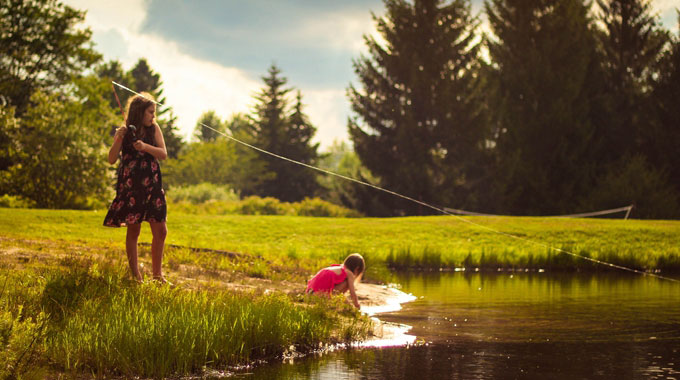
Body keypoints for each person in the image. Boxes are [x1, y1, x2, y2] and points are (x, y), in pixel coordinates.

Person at [103, 93, 168, 283]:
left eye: (154, 112)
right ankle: (136, 276)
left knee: (161, 230)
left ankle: (158, 276)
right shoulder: (125, 132)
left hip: (152, 186)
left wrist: (145, 147)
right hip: (131, 188)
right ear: (139, 112)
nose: (153, 116)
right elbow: (111, 159)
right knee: (134, 231)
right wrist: (118, 139)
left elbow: (163, 154)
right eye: (150, 112)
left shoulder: (154, 129)